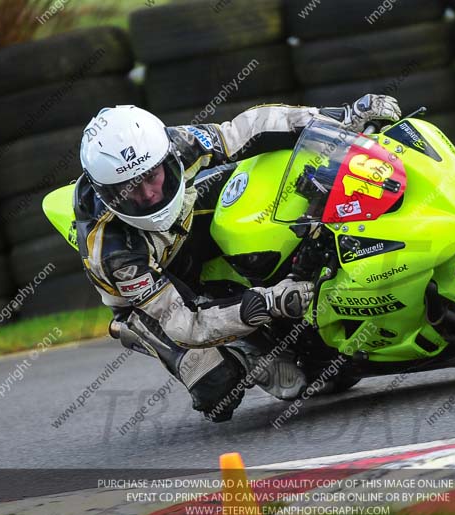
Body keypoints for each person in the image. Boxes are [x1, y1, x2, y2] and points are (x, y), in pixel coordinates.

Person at [75, 95, 401, 422]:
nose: (148, 194)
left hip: (184, 227)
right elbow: (185, 323)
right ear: (105, 191)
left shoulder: (173, 145)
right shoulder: (114, 253)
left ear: (164, 158)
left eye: (152, 175)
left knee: (269, 201)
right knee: (221, 385)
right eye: (131, 188)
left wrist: (341, 117)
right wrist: (270, 303)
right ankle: (240, 349)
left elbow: (246, 130)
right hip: (151, 302)